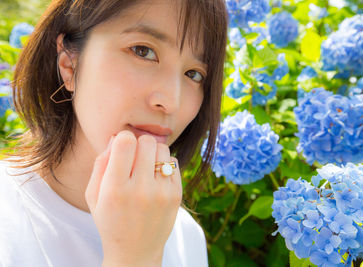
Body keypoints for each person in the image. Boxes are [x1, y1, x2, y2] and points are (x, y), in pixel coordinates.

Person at [0, 0, 228, 266]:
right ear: (69, 65)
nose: (172, 101)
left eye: (194, 74)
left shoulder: (185, 237)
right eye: (143, 51)